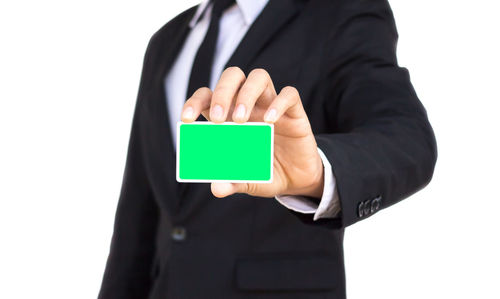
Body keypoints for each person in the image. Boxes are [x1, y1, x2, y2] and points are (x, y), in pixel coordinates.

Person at [98, 0, 437, 298]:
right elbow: (136, 219)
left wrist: (317, 172)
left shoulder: (340, 11)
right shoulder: (166, 42)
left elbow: (407, 138)